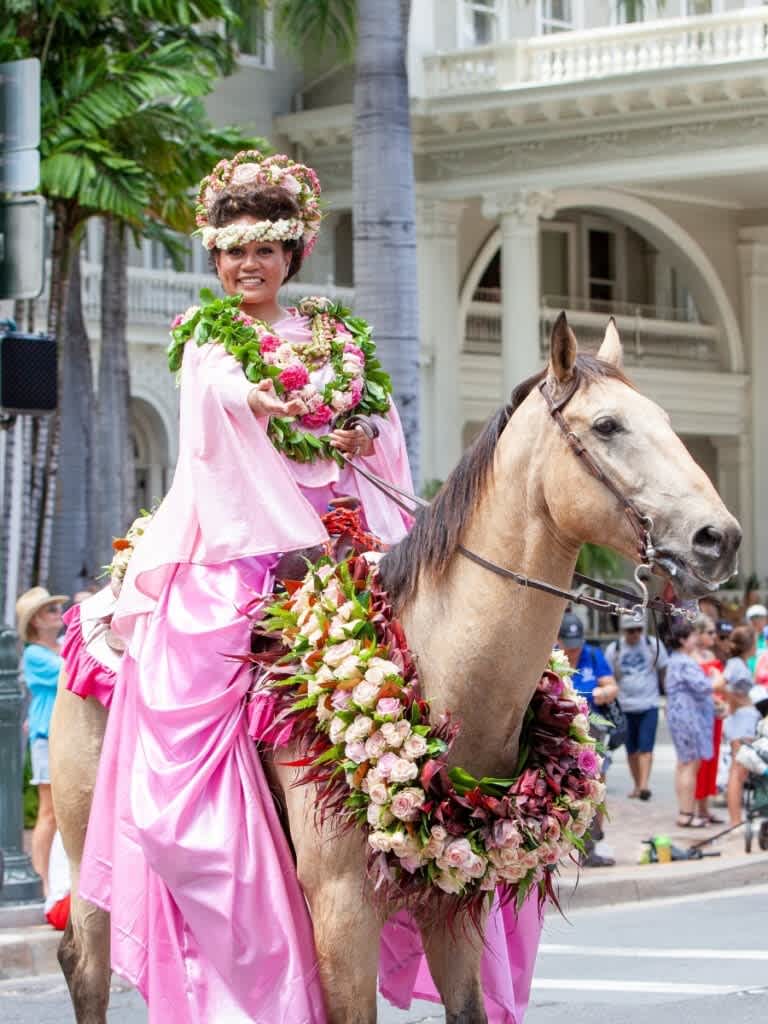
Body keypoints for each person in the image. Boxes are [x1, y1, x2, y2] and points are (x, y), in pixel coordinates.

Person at [75, 150, 542, 1023]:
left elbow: (377, 414)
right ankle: (218, 836)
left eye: (264, 250)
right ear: (215, 259)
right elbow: (216, 402)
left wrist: (363, 430)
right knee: (197, 665)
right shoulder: (210, 336)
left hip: (350, 541)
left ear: (294, 255)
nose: (245, 266)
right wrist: (266, 401)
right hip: (246, 542)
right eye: (229, 251)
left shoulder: (335, 332)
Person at [16, 586, 68, 897]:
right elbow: (69, 672)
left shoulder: (61, 645)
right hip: (46, 735)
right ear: (36, 620)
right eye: (50, 610)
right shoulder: (34, 654)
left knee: (65, 811)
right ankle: (42, 882)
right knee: (49, 811)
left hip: (63, 734)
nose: (56, 613)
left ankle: (59, 882)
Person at [558, 611, 618, 867]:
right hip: (559, 732)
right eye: (567, 646)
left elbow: (611, 687)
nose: (572, 651)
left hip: (592, 731)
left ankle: (590, 846)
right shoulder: (551, 656)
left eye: (576, 645)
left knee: (594, 787)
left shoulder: (593, 655)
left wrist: (601, 693)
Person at [605, 611, 667, 801]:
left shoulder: (652, 644)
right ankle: (637, 785)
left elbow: (663, 668)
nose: (635, 634)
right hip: (625, 706)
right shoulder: (614, 649)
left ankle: (643, 785)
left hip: (649, 703)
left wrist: (667, 695)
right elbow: (607, 677)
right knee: (631, 749)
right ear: (624, 631)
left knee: (646, 748)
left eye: (638, 630)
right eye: (631, 630)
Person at [665, 621, 716, 829]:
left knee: (683, 764)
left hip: (680, 713)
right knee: (689, 765)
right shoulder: (684, 661)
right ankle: (687, 813)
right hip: (687, 716)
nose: (696, 639)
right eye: (693, 636)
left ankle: (685, 811)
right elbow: (705, 686)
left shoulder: (676, 660)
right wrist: (715, 677)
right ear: (682, 640)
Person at [692, 615, 727, 825]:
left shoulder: (710, 654)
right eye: (710, 632)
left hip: (715, 713)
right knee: (700, 762)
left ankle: (705, 807)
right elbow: (701, 688)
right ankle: (696, 808)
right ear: (699, 633)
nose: (715, 636)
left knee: (712, 760)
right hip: (701, 713)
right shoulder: (693, 658)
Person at [722, 670, 760, 828]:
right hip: (743, 722)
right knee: (738, 770)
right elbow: (722, 685)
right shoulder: (736, 664)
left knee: (739, 770)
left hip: (746, 719)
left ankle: (735, 820)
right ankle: (735, 821)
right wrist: (734, 704)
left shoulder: (738, 664)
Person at [745, 603, 767, 673]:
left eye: (761, 618)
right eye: (753, 619)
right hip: (749, 675)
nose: (757, 621)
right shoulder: (744, 638)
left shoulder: (766, 637)